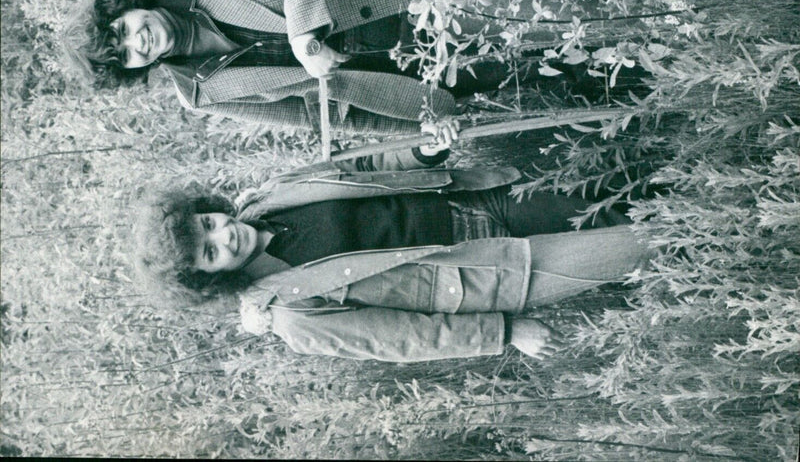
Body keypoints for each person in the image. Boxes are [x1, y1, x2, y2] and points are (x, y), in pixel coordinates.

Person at [131, 124, 650, 362]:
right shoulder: (291, 315)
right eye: (210, 252)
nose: (224, 233)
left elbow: (361, 170)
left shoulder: (271, 195)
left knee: (626, 190)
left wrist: (422, 153)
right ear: (212, 279)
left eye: (208, 223)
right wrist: (503, 332)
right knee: (643, 242)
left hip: (473, 200)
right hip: (492, 276)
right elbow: (399, 340)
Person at [62, 0, 611, 135]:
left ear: (126, 6)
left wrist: (304, 36)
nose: (138, 41)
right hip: (405, 77)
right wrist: (419, 124)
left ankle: (662, 7)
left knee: (550, 12)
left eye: (125, 29)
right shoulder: (199, 93)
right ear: (136, 69)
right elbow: (317, 118)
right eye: (128, 54)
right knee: (552, 60)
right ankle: (667, 44)